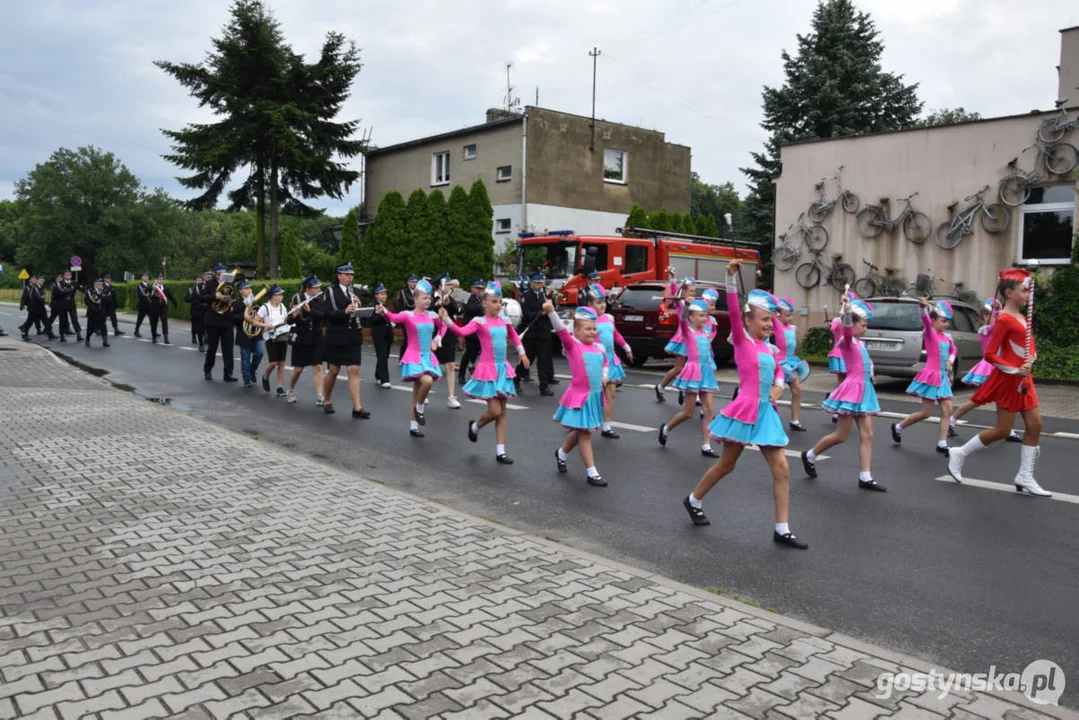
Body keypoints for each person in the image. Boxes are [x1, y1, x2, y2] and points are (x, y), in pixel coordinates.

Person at [682, 260, 807, 549]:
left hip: (766, 412)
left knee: (782, 469)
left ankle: (782, 529)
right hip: (744, 409)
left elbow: (778, 372)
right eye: (764, 320)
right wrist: (729, 278)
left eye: (770, 321)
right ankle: (693, 499)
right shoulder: (741, 340)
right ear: (749, 321)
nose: (768, 325)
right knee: (727, 465)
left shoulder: (770, 348)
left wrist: (777, 388)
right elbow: (736, 311)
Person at [948, 269, 1050, 496]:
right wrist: (1015, 368)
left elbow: (1028, 347)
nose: (1027, 295)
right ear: (1009, 292)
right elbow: (991, 355)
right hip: (1008, 379)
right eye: (1024, 291)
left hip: (1024, 379)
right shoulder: (1003, 319)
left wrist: (1032, 359)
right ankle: (960, 453)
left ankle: (1025, 475)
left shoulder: (1023, 317)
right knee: (1003, 430)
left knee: (1035, 425)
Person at [801, 296, 883, 491]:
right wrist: (847, 310)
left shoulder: (861, 344)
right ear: (852, 324)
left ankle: (865, 476)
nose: (866, 329)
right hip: (852, 391)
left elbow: (866, 363)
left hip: (865, 391)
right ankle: (810, 455)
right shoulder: (846, 342)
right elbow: (846, 330)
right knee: (840, 436)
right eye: (863, 325)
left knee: (868, 434)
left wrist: (871, 374)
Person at [442, 282, 528, 462]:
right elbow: (461, 331)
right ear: (485, 304)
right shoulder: (479, 322)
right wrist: (447, 320)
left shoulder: (504, 320)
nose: (498, 305)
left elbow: (513, 336)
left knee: (503, 411)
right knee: (495, 411)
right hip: (488, 370)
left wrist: (522, 353)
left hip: (502, 368)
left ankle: (500, 451)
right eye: (495, 302)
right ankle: (475, 426)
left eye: (500, 302)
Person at [547, 303, 609, 487]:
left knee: (582, 429)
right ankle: (592, 472)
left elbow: (606, 363)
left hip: (594, 396)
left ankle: (561, 453)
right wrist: (551, 312)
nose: (592, 332)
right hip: (580, 396)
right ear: (577, 331)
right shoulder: (573, 345)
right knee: (584, 433)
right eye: (587, 329)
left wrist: (605, 376)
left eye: (594, 329)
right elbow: (560, 330)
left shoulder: (599, 348)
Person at [378, 279, 447, 437]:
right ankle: (420, 409)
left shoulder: (433, 315)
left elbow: (443, 327)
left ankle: (413, 425)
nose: (428, 300)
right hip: (414, 356)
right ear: (415, 299)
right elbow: (393, 317)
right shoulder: (408, 315)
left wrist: (436, 340)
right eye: (424, 298)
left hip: (428, 356)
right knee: (427, 381)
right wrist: (383, 310)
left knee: (417, 392)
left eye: (429, 298)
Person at [948, 299, 1023, 442]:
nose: (992, 317)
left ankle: (1007, 429)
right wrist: (999, 313)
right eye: (988, 314)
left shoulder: (999, 327)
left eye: (994, 314)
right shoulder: (984, 330)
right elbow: (996, 327)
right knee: (979, 399)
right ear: (982, 317)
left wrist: (1000, 311)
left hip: (1001, 367)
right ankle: (952, 419)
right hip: (989, 368)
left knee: (1003, 400)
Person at [890, 299, 956, 455]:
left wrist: (950, 361)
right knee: (926, 413)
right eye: (943, 321)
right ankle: (899, 427)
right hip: (931, 376)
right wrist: (922, 307)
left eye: (947, 322)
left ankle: (942, 443)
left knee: (947, 409)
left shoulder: (947, 337)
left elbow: (953, 351)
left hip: (943, 377)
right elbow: (925, 319)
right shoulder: (930, 333)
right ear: (933, 320)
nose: (946, 324)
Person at [658, 293, 719, 456]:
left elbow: (708, 353)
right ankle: (666, 428)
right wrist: (686, 305)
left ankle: (706, 445)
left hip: (706, 372)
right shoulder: (688, 332)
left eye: (705, 315)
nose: (703, 318)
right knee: (688, 413)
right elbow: (682, 320)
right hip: (693, 372)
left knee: (708, 410)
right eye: (700, 315)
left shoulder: (705, 334)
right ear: (691, 317)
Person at [322, 264, 371, 418]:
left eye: (352, 275)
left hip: (353, 335)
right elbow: (327, 313)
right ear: (339, 276)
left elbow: (355, 312)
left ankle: (357, 407)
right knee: (334, 371)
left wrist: (359, 307)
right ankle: (327, 399)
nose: (350, 277)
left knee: (353, 370)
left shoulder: (354, 291)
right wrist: (345, 311)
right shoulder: (330, 291)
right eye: (347, 274)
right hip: (337, 335)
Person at [591, 285, 633, 438]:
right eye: (597, 302)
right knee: (593, 394)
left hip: (611, 358)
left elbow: (616, 335)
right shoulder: (588, 320)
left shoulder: (609, 318)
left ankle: (606, 427)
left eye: (603, 301)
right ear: (590, 304)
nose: (602, 305)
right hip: (596, 360)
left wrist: (627, 348)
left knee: (611, 393)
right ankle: (579, 420)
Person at [654, 269, 695, 402]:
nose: (693, 293)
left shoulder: (697, 305)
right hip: (683, 339)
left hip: (694, 339)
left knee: (695, 366)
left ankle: (688, 392)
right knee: (679, 368)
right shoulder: (681, 303)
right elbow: (673, 289)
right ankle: (660, 387)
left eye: (694, 291)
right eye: (690, 291)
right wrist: (673, 277)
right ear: (684, 292)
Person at [287, 277, 326, 405]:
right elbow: (288, 320)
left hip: (316, 336)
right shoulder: (297, 298)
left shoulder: (319, 300)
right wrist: (294, 315)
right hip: (302, 336)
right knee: (299, 368)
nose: (318, 289)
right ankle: (290, 390)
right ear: (308, 288)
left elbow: (322, 316)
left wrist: (310, 311)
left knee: (318, 365)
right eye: (316, 287)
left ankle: (320, 395)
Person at [516, 273, 555, 396]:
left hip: (543, 331)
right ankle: (515, 380)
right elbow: (527, 314)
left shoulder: (545, 294)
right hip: (531, 332)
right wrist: (541, 311)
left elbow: (553, 309)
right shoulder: (526, 296)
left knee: (543, 360)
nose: (540, 285)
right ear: (531, 283)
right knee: (528, 359)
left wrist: (551, 298)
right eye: (537, 283)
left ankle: (544, 386)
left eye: (542, 282)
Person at [774, 297, 809, 432]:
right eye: (787, 315)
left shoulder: (792, 328)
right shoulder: (776, 326)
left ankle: (795, 420)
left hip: (790, 363)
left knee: (797, 390)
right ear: (778, 314)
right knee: (776, 392)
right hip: (778, 364)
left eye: (791, 315)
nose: (790, 318)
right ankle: (769, 419)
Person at [201, 264, 238, 382]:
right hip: (213, 320)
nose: (222, 275)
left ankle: (228, 373)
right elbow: (202, 297)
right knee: (212, 348)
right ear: (216, 274)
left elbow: (233, 298)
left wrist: (231, 302)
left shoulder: (230, 284)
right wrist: (214, 295)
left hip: (226, 320)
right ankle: (207, 370)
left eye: (224, 272)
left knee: (228, 348)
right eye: (219, 273)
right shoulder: (209, 284)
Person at [432, 276, 463, 409]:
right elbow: (427, 310)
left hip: (449, 334)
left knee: (450, 365)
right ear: (440, 285)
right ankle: (424, 392)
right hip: (433, 333)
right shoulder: (430, 297)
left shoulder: (451, 297)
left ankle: (451, 396)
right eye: (448, 284)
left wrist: (449, 302)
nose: (450, 287)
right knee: (430, 365)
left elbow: (458, 310)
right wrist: (438, 303)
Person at [257, 285, 290, 396]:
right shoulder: (264, 307)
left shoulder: (282, 307)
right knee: (273, 362)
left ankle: (280, 387)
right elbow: (255, 322)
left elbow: (285, 319)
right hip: (270, 337)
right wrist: (266, 325)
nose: (282, 296)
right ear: (273, 296)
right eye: (279, 294)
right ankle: (265, 376)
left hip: (282, 335)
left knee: (282, 362)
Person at [232, 281, 265, 388]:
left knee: (259, 353)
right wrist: (244, 317)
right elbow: (232, 317)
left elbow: (261, 313)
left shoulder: (256, 301)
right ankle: (246, 379)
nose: (249, 290)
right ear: (241, 291)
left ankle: (252, 371)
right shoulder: (237, 302)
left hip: (256, 332)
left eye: (250, 288)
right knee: (245, 357)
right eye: (246, 289)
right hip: (243, 333)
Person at [457, 280, 486, 384]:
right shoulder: (468, 297)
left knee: (479, 351)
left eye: (482, 289)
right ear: (472, 288)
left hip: (482, 330)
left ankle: (472, 365)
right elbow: (469, 309)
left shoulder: (483, 298)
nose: (480, 291)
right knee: (469, 352)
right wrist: (483, 306)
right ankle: (461, 374)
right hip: (471, 329)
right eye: (478, 288)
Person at [369, 284, 393, 389]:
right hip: (378, 334)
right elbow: (371, 321)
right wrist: (379, 314)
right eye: (381, 294)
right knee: (382, 355)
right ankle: (385, 379)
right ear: (376, 295)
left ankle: (378, 374)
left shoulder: (386, 305)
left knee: (385, 355)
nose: (384, 296)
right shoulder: (372, 306)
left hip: (388, 332)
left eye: (385, 294)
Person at [20, 276, 54, 341]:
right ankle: (24, 334)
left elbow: (41, 297)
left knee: (46, 321)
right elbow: (36, 297)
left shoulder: (39, 287)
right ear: (37, 281)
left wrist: (45, 301)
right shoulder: (34, 287)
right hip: (34, 308)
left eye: (43, 281)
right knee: (29, 322)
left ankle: (50, 334)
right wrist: (22, 304)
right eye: (41, 280)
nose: (42, 282)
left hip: (40, 308)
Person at [54, 271, 82, 342]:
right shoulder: (60, 283)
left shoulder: (74, 283)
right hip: (62, 304)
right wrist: (66, 291)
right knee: (62, 320)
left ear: (71, 276)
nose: (68, 276)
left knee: (74, 319)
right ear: (64, 276)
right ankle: (62, 335)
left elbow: (80, 288)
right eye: (66, 275)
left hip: (71, 304)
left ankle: (79, 334)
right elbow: (56, 293)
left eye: (69, 275)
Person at [185, 272, 211, 351]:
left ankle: (206, 338)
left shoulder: (210, 286)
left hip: (207, 310)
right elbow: (190, 298)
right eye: (207, 277)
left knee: (208, 326)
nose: (208, 278)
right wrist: (198, 299)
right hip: (197, 310)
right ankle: (201, 344)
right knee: (199, 327)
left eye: (210, 277)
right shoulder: (194, 288)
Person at [148, 274, 176, 344]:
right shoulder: (153, 287)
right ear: (157, 280)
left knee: (164, 322)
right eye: (159, 279)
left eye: (162, 279)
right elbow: (146, 291)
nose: (161, 280)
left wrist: (175, 303)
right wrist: (152, 287)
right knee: (154, 323)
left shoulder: (166, 287)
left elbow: (170, 296)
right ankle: (154, 337)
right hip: (154, 308)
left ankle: (166, 337)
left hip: (163, 308)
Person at [83, 278, 110, 347]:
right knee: (90, 328)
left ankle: (105, 341)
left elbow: (108, 299)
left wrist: (102, 295)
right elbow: (86, 301)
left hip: (101, 312)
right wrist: (93, 308)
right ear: (95, 284)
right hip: (92, 313)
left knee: (103, 327)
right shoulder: (90, 291)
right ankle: (87, 339)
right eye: (99, 284)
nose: (101, 285)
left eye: (101, 284)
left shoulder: (104, 291)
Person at [396, 274, 418, 358]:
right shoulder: (403, 292)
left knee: (415, 338)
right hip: (407, 318)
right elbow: (402, 306)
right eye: (412, 282)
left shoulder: (418, 292)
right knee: (407, 338)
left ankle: (412, 356)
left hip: (416, 318)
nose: (414, 284)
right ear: (408, 282)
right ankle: (402, 357)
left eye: (415, 282)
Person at [133, 272, 152, 338]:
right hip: (142, 306)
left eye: (147, 277)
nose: (146, 278)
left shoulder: (150, 285)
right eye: (145, 277)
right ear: (142, 278)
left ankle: (154, 331)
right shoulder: (139, 286)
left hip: (150, 305)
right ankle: (136, 331)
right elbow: (140, 296)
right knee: (140, 319)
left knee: (152, 319)